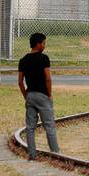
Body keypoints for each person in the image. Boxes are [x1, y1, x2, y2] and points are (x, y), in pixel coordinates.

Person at [18, 32, 58, 160]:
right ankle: (56, 154)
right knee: (49, 125)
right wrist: (50, 94)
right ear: (39, 44)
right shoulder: (43, 58)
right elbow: (48, 78)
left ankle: (32, 155)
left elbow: (20, 82)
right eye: (44, 43)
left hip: (30, 95)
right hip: (43, 95)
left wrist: (26, 96)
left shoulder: (23, 60)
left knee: (30, 127)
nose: (44, 46)